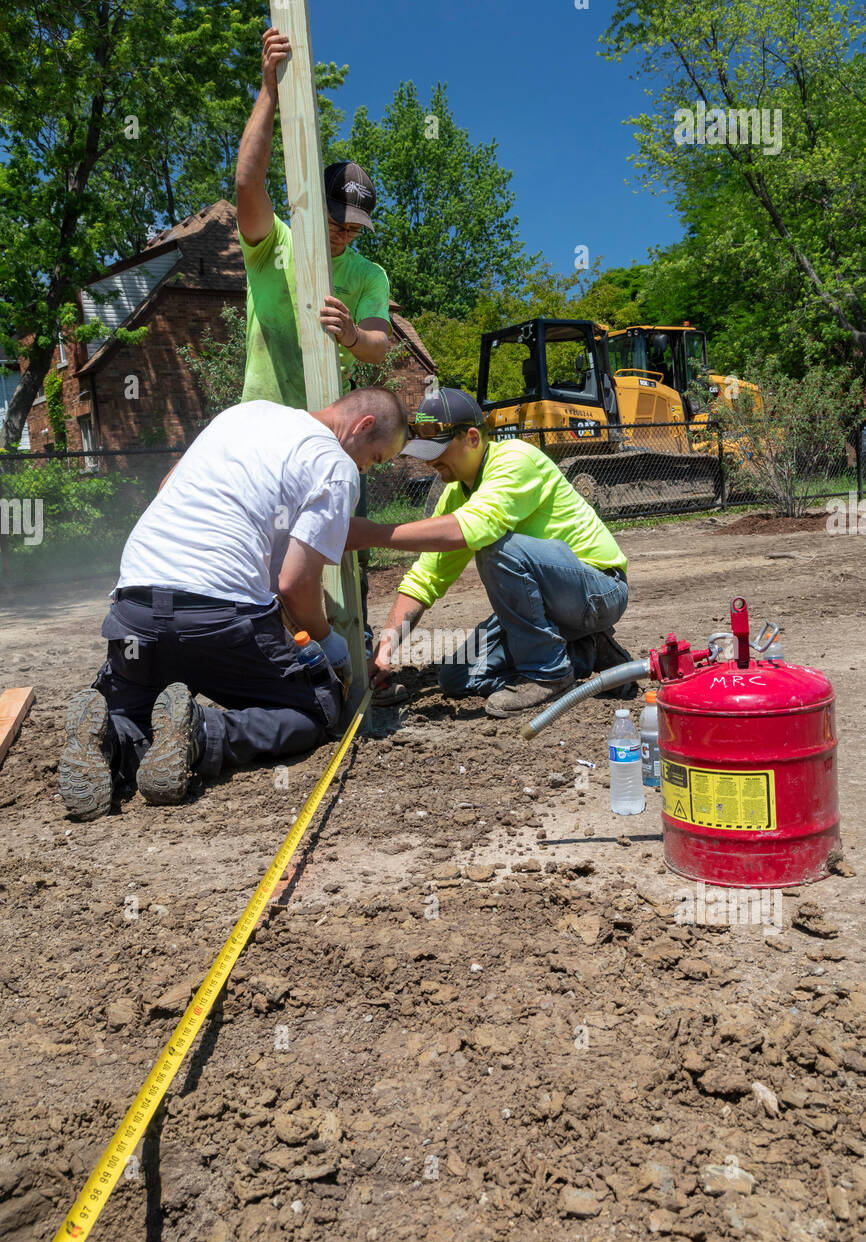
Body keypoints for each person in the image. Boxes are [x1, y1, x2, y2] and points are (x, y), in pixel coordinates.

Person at [58, 389, 408, 820]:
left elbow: (168, 484)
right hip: (220, 616)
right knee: (316, 710)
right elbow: (295, 584)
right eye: (373, 459)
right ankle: (202, 734)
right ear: (364, 425)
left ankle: (111, 739)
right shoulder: (335, 466)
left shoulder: (246, 413)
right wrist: (329, 643)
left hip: (135, 605)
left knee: (133, 708)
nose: (364, 469)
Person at [235, 26, 393, 670]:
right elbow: (248, 182)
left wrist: (353, 335)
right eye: (335, 223)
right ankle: (263, 663)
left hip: (326, 442)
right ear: (309, 206)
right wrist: (268, 90)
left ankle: (336, 660)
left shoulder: (366, 276)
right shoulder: (273, 244)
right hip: (261, 426)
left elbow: (380, 348)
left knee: (329, 560)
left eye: (356, 231)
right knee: (258, 556)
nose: (344, 240)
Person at [345, 387, 636, 718]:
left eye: (437, 449)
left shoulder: (515, 459)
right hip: (554, 607)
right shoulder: (456, 493)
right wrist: (384, 652)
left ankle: (549, 675)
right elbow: (426, 577)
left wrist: (377, 534)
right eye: (424, 450)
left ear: (472, 437)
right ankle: (587, 650)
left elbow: (474, 528)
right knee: (457, 678)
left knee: (496, 547)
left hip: (599, 590)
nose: (428, 461)